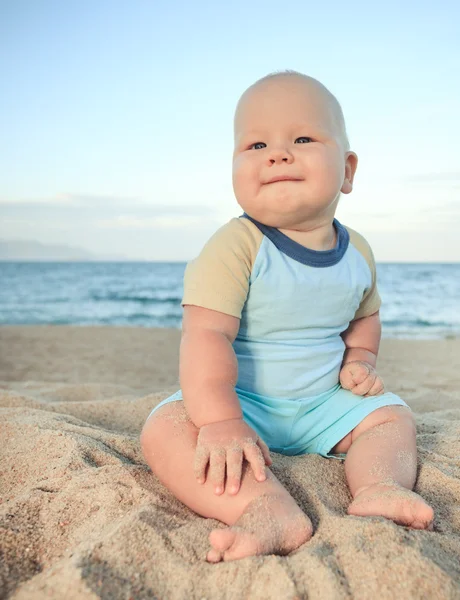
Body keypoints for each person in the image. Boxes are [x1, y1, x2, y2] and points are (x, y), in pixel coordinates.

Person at [140, 70, 435, 563]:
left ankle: (378, 486)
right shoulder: (238, 245)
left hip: (324, 405)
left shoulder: (357, 250)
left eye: (302, 138)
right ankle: (267, 508)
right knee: (165, 428)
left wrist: (359, 359)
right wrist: (219, 420)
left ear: (347, 169)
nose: (277, 153)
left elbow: (365, 315)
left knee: (393, 419)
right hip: (241, 403)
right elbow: (206, 335)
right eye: (256, 144)